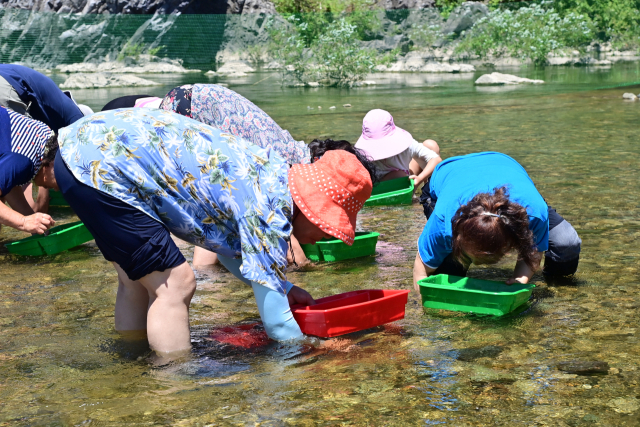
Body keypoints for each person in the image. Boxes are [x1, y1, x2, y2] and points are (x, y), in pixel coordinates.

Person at [35, 108, 374, 358]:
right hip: (103, 167)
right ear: (310, 209)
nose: (322, 237)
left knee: (135, 278)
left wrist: (282, 287)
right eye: (326, 227)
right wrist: (323, 350)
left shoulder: (270, 178)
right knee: (176, 284)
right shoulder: (271, 210)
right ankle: (178, 386)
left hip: (84, 154)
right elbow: (279, 328)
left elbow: (228, 254)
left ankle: (131, 362)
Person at [159, 84, 369, 267]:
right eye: (326, 229)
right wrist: (300, 266)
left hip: (193, 99)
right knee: (216, 204)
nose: (325, 235)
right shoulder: (283, 173)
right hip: (190, 110)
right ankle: (207, 276)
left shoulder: (299, 165)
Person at [413, 152, 581, 289]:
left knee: (566, 243)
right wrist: (423, 307)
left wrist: (520, 279)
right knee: (449, 274)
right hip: (448, 172)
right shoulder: (444, 222)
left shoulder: (533, 213)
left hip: (503, 164)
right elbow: (421, 270)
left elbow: (533, 249)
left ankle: (559, 286)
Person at [0, 64, 90, 214]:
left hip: (9, 84)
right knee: (28, 166)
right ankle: (33, 225)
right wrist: (25, 222)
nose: (56, 188)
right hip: (6, 87)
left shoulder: (49, 121)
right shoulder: (77, 127)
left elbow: (9, 178)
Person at [0, 107, 56, 234]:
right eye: (57, 184)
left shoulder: (44, 139)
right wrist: (23, 222)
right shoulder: (25, 160)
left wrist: (32, 221)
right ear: (50, 165)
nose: (56, 189)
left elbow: (7, 182)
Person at [355, 109, 442, 187]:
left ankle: (429, 189)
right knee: (398, 175)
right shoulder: (362, 155)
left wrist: (419, 178)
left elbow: (436, 159)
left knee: (431, 145)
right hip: (383, 186)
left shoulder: (407, 145)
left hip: (407, 179)